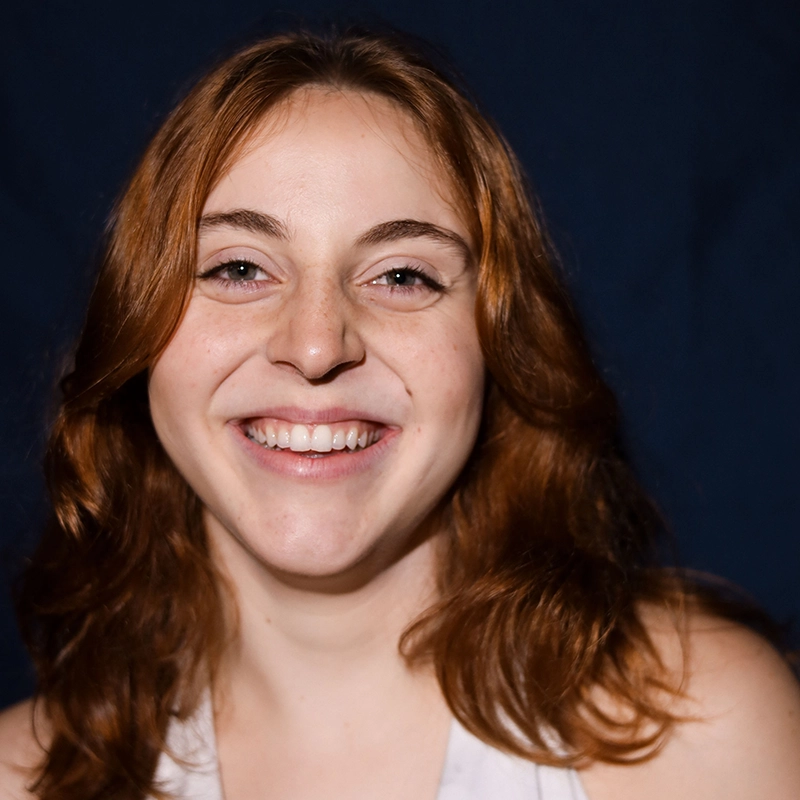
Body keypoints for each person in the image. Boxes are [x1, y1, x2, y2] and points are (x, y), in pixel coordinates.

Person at [1, 27, 798, 800]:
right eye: (240, 267)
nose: (316, 345)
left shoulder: (708, 736)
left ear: (501, 345)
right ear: (136, 338)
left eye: (403, 276)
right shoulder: (19, 779)